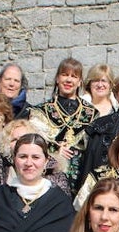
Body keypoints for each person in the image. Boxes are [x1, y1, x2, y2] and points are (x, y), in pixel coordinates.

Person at [26, 58, 97, 186]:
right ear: (57, 79)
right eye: (64, 75)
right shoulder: (40, 111)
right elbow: (33, 142)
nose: (69, 80)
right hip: (49, 174)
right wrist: (54, 148)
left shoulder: (92, 113)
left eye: (74, 76)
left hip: (81, 175)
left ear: (80, 81)